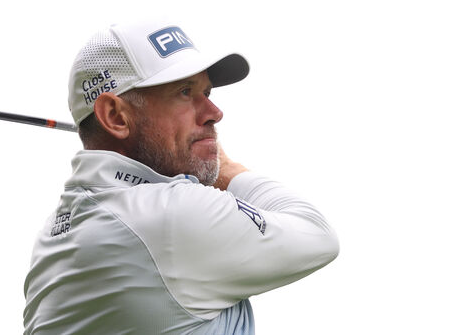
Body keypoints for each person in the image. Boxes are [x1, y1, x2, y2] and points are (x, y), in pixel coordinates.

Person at [23, 20, 339, 334]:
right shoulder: (176, 214)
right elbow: (317, 234)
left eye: (207, 92)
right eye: (185, 92)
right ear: (116, 117)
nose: (214, 113)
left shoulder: (53, 235)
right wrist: (226, 169)